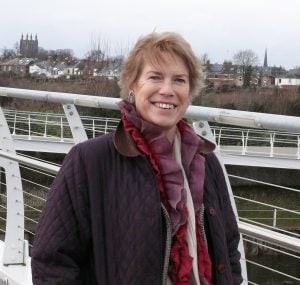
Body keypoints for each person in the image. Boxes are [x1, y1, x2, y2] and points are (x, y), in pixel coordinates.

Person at [31, 31, 242, 285]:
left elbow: (228, 246)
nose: (167, 90)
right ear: (132, 85)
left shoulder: (205, 161)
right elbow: (52, 261)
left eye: (179, 80)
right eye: (155, 77)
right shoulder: (91, 161)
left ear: (190, 91)